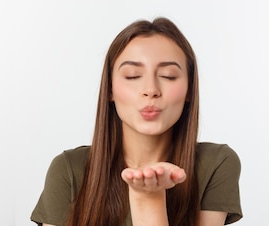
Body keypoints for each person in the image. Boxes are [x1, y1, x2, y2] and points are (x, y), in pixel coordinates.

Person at [30, 17, 242, 226]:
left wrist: (149, 198)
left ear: (189, 89)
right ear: (110, 89)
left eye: (168, 76)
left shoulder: (216, 163)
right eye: (132, 76)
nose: (150, 90)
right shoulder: (69, 170)